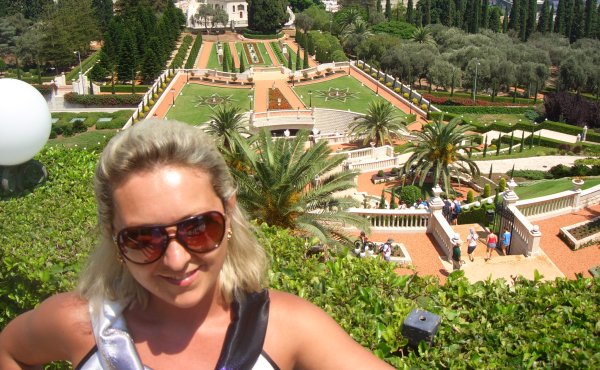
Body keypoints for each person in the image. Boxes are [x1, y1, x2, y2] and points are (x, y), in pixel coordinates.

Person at [0, 120, 392, 369]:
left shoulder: (291, 328)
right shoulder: (78, 323)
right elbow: (10, 351)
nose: (175, 259)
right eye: (143, 238)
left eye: (198, 228)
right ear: (112, 236)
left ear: (229, 213)